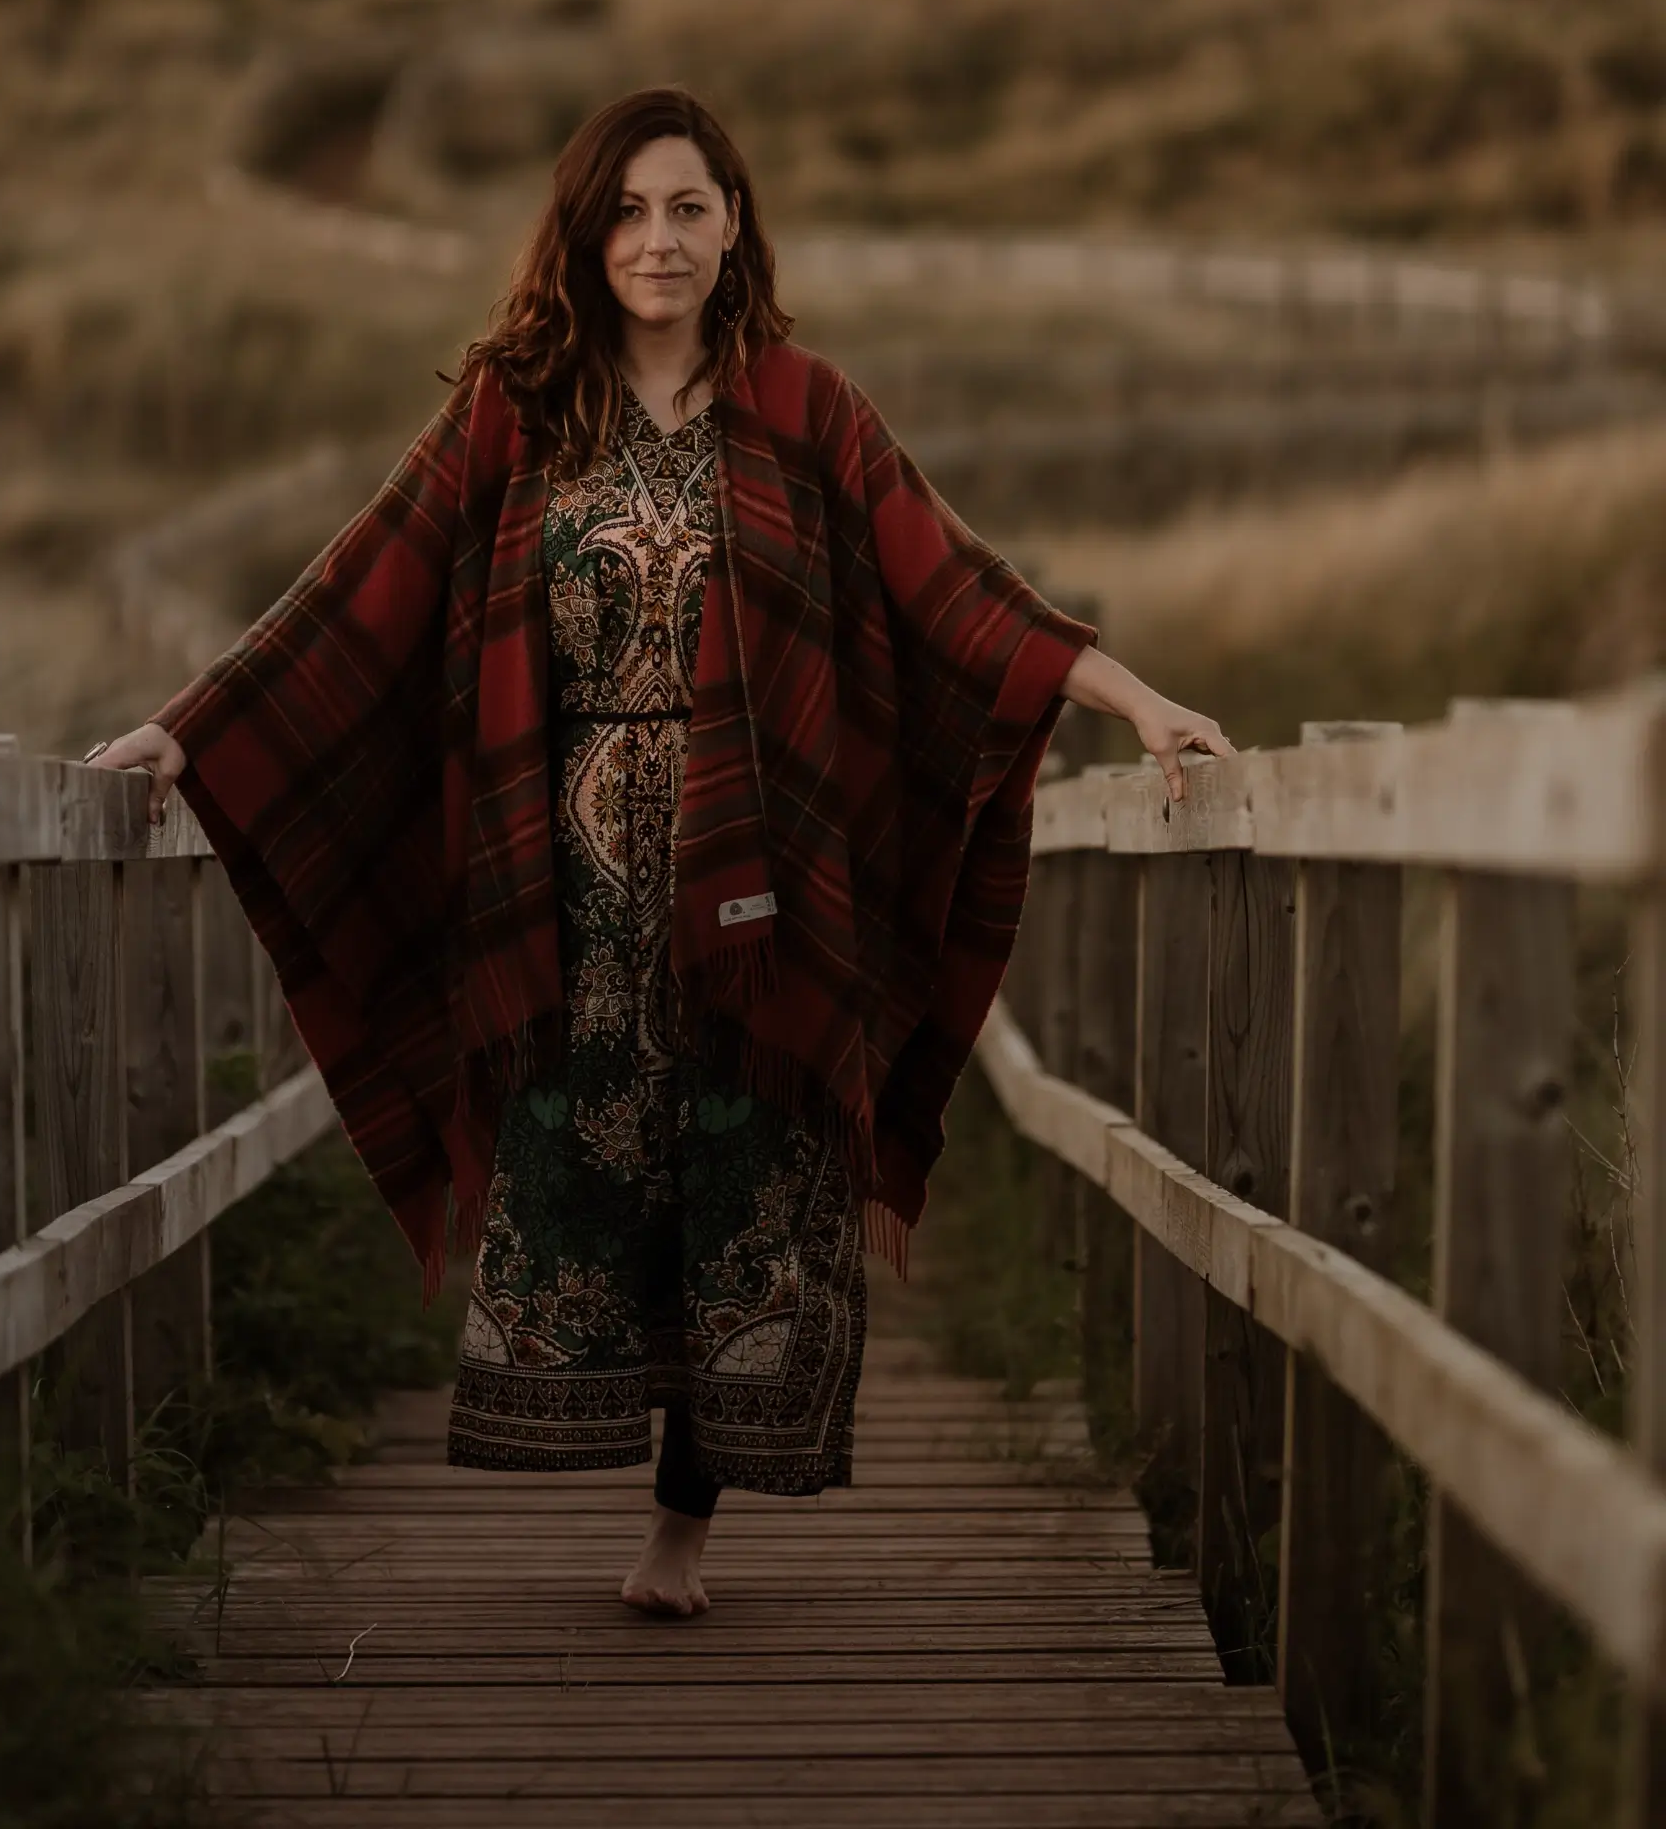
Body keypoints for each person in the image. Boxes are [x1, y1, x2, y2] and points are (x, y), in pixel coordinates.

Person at [91, 87, 1232, 1618]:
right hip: (563, 896)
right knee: (591, 1170)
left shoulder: (808, 406)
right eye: (628, 210)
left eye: (690, 207)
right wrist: (192, 726)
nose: (659, 239)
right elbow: (360, 581)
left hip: (764, 885)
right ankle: (603, 1434)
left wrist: (1138, 701)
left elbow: (961, 589)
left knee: (746, 1181)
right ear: (583, 231)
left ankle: (683, 1530)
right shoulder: (518, 405)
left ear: (735, 224)